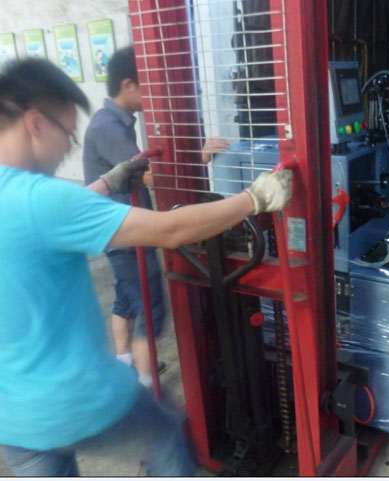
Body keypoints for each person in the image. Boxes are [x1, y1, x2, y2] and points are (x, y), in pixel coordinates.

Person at [0, 58, 292, 476]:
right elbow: (170, 229)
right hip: (77, 402)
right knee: (166, 437)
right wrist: (254, 199)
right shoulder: (44, 199)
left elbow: (46, 222)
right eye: (68, 134)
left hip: (12, 422)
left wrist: (109, 181)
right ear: (35, 124)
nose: (68, 148)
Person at [83, 47, 228, 388]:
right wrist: (200, 156)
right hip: (126, 233)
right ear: (128, 84)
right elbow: (147, 174)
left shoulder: (113, 122)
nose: (154, 94)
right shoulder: (108, 127)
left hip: (115, 231)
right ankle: (146, 390)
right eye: (148, 85)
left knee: (126, 298)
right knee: (152, 309)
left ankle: (124, 366)